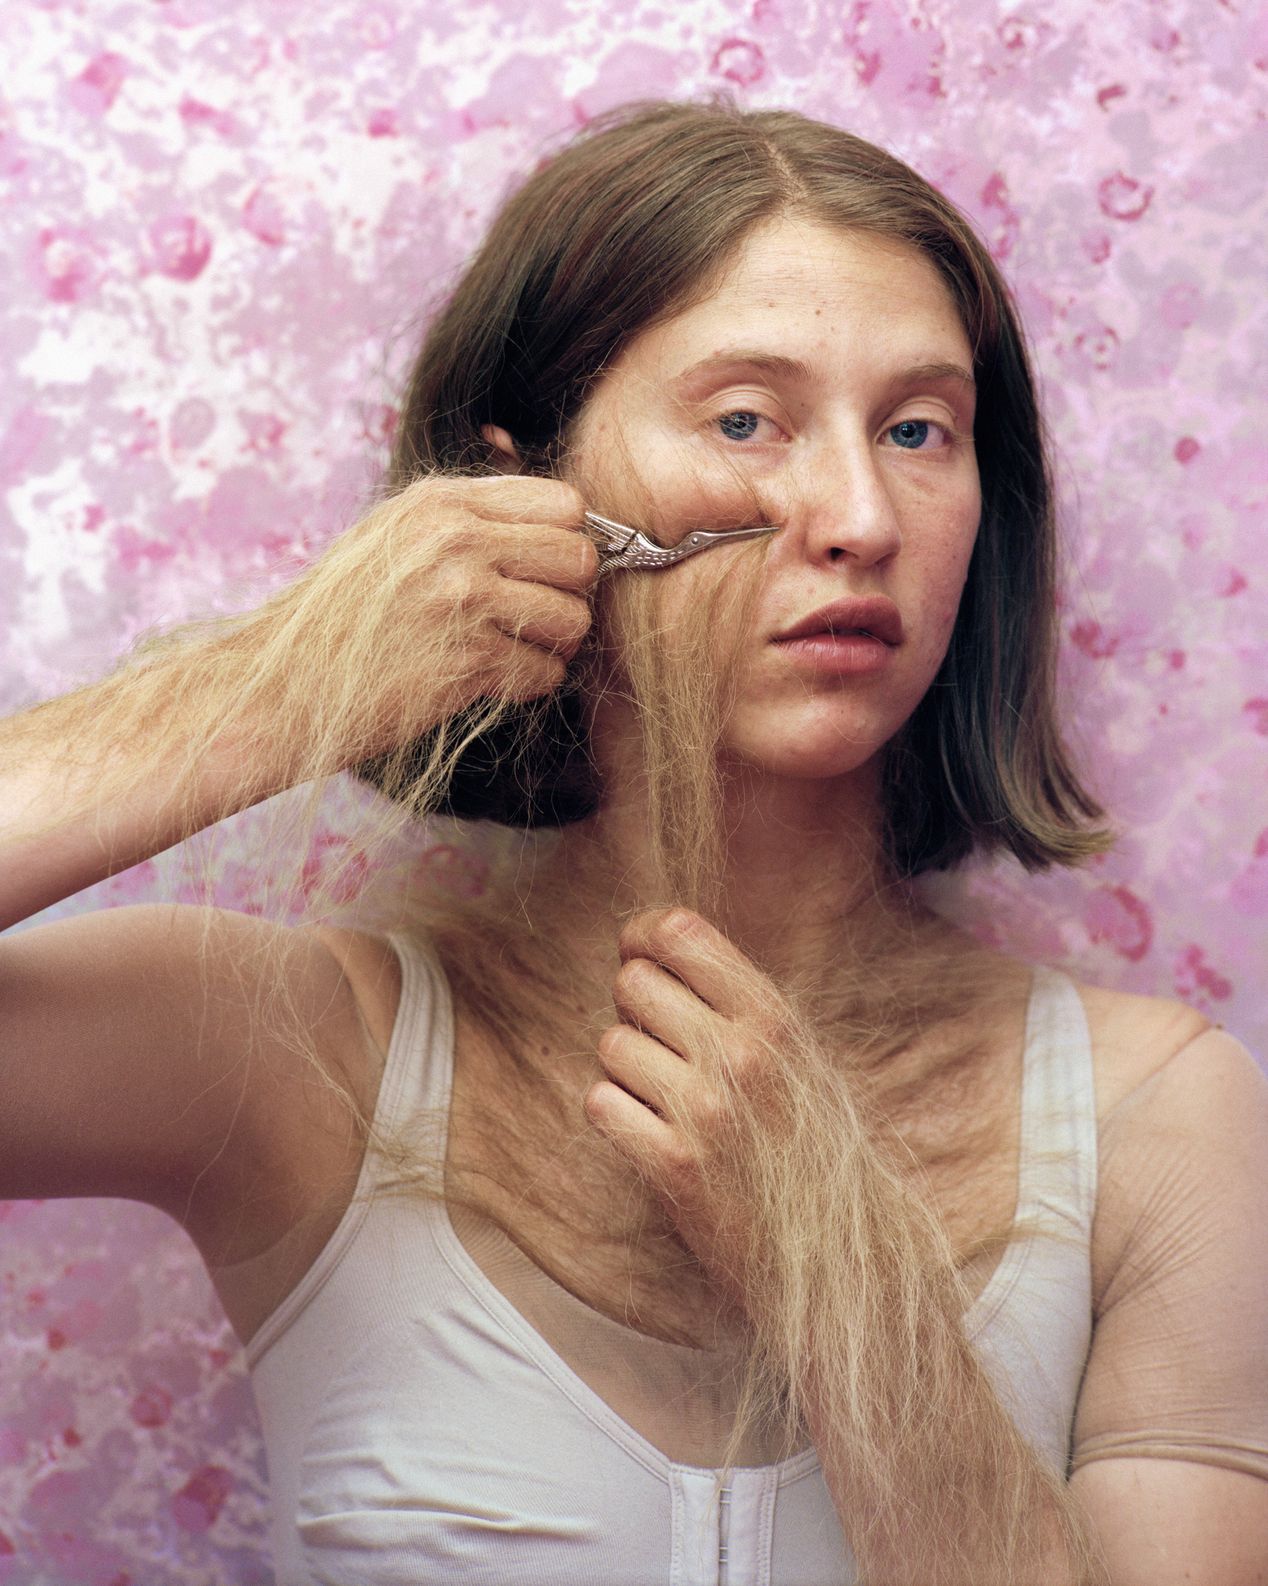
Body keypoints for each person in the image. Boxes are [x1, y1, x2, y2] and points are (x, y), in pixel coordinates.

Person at [1, 97, 1265, 1586]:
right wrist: (275, 683)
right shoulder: (299, 1055)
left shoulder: (1160, 1119)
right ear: (518, 486)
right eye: (747, 419)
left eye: (921, 429)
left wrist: (849, 1283)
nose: (859, 514)